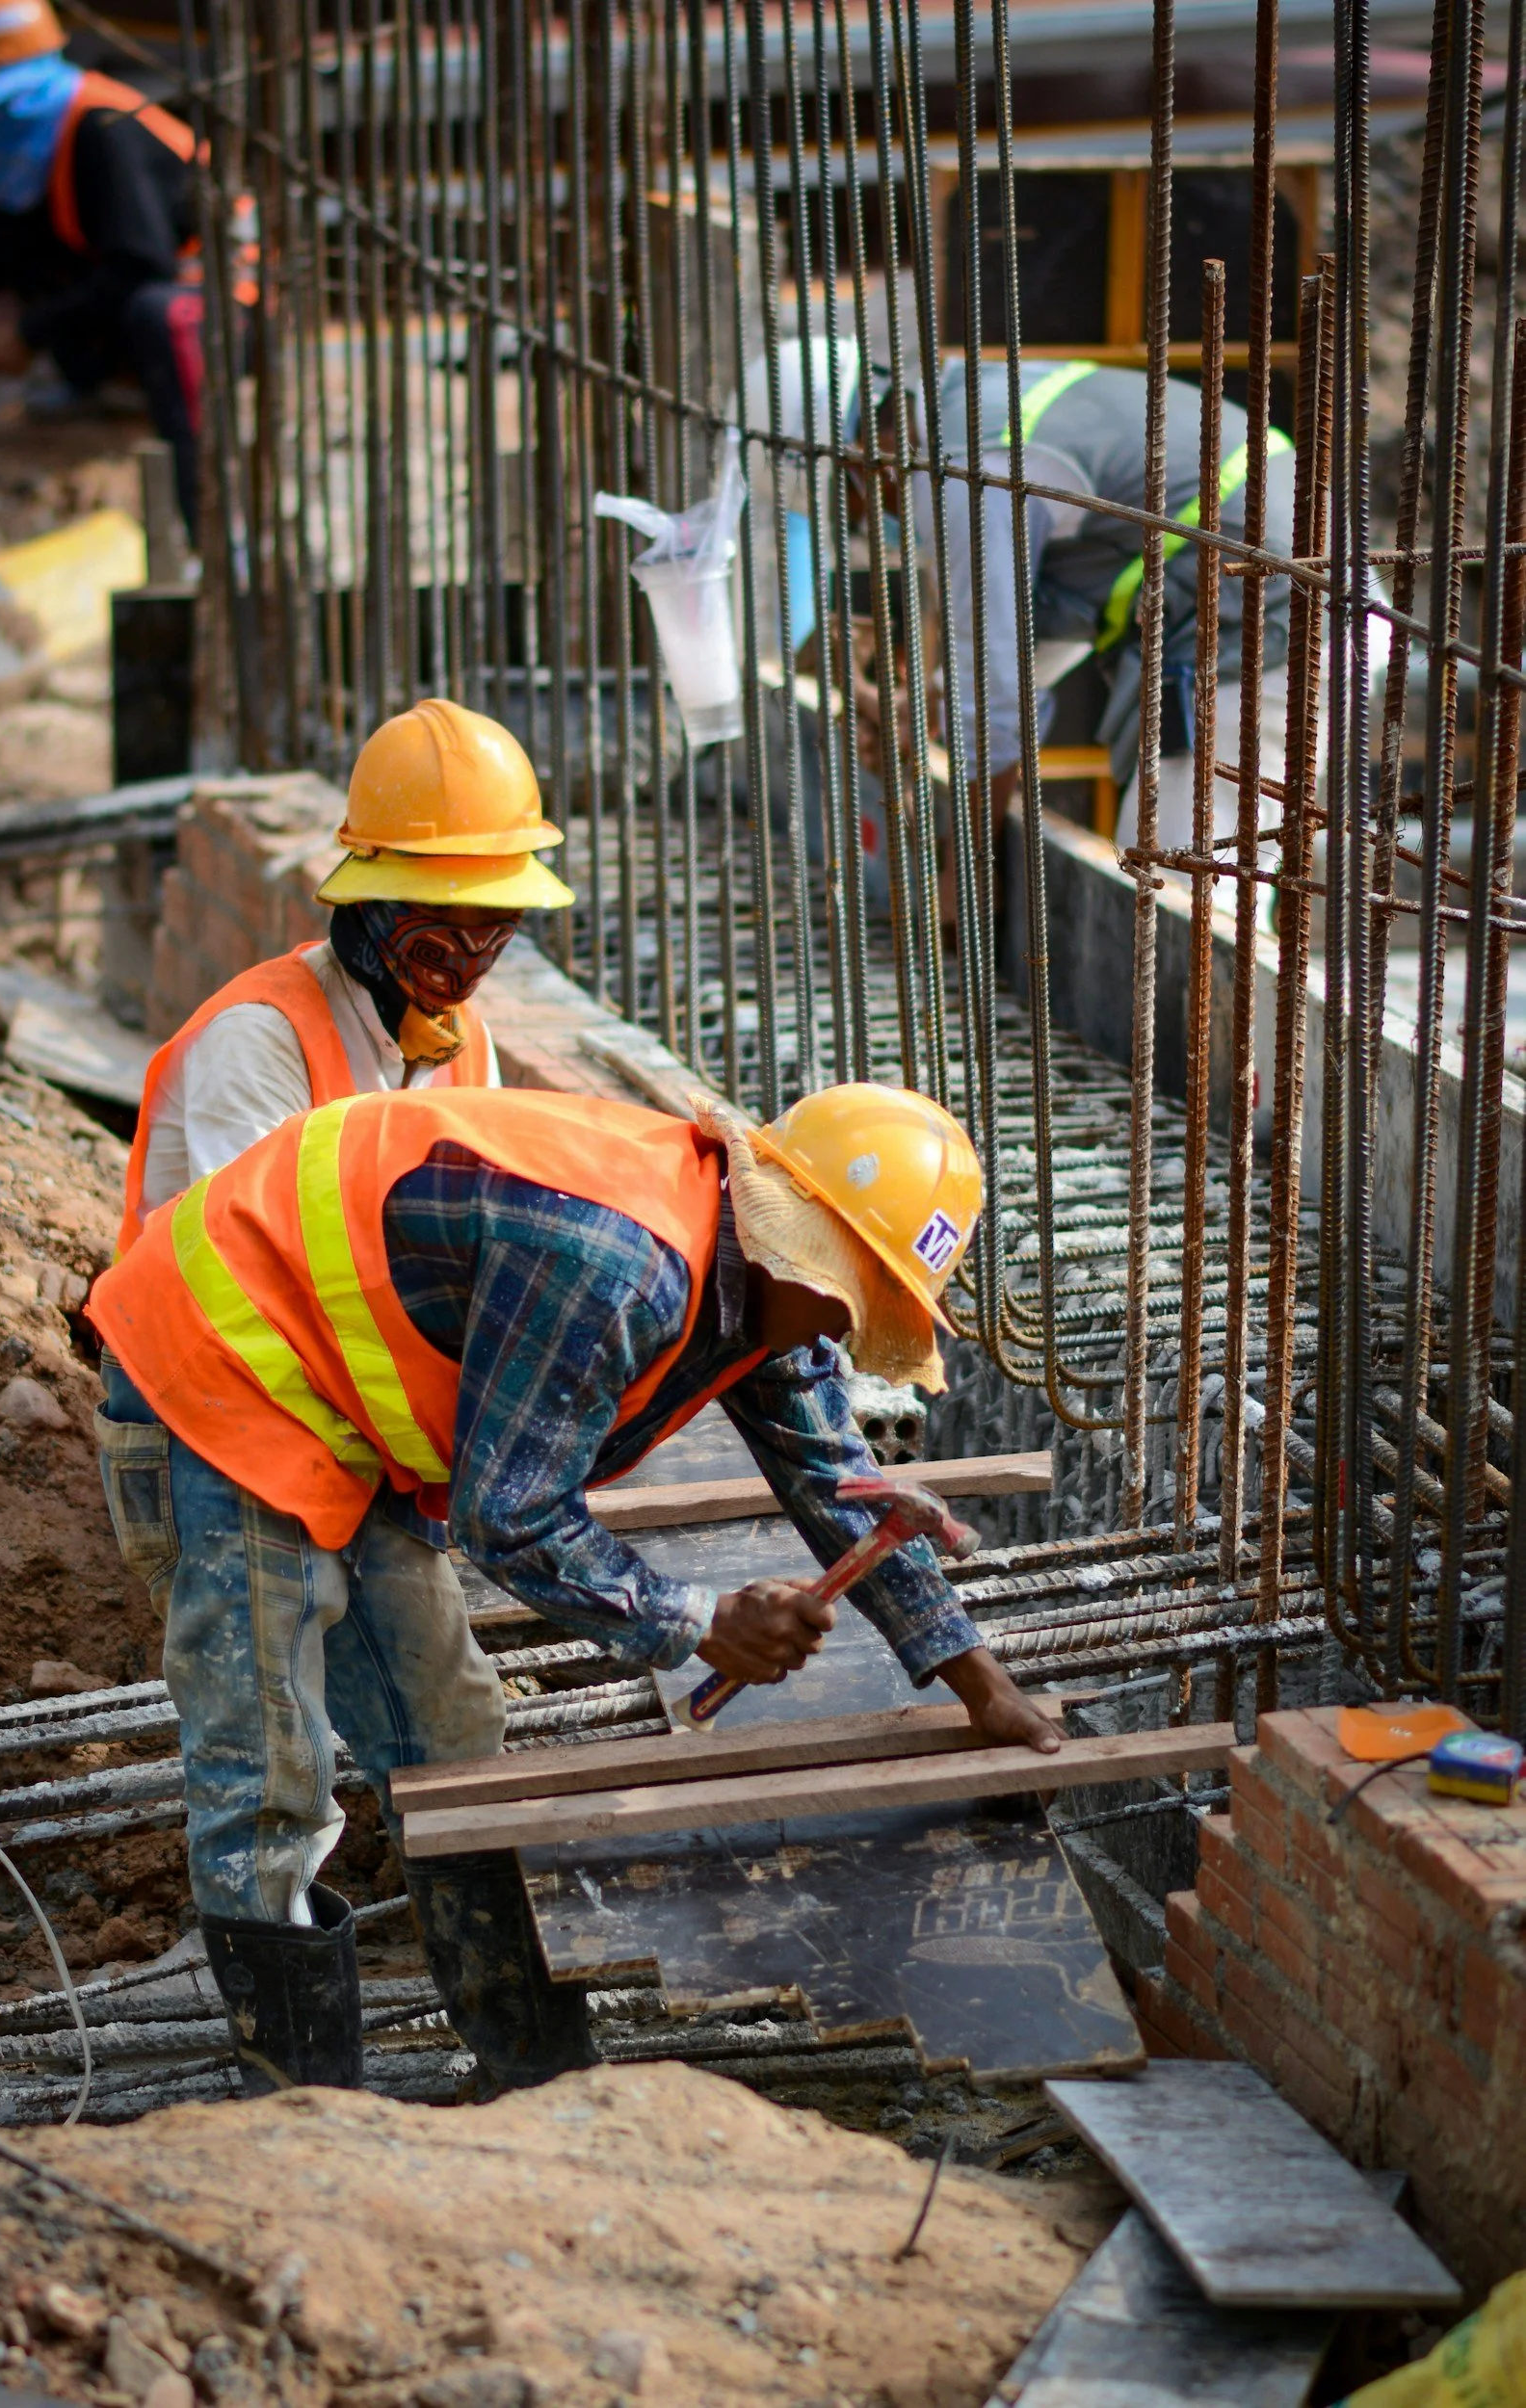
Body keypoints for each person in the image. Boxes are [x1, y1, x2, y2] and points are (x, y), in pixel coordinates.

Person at [86, 1077, 1061, 2096]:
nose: (846, 1338)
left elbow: (840, 1482)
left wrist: (979, 1685)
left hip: (330, 1394)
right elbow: (509, 1518)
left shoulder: (765, 1288)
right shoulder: (618, 1266)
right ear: (805, 1246)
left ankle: (538, 2083)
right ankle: (296, 2120)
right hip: (216, 1360)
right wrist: (699, 1621)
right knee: (269, 1762)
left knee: (449, 1737)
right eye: (855, 1306)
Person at [117, 696, 573, 1253]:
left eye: (494, 917)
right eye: (443, 914)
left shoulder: (464, 1043)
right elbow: (249, 1267)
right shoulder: (259, 1040)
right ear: (372, 901)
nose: (470, 946)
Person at [848, 358, 1302, 868]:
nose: (879, 518)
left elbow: (997, 696)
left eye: (857, 503)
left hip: (1269, 607)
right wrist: (932, 702)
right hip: (1256, 585)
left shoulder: (966, 469)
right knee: (1175, 872)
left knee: (1183, 881)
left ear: (863, 456)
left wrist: (967, 873)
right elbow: (1039, 625)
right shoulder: (982, 403)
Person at [0, 0, 210, 538]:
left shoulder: (105, 130)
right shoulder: (31, 150)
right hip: (143, 281)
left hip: (213, 296)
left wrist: (27, 337)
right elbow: (9, 245)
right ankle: (94, 384)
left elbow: (142, 262)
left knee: (156, 312)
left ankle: (204, 512)